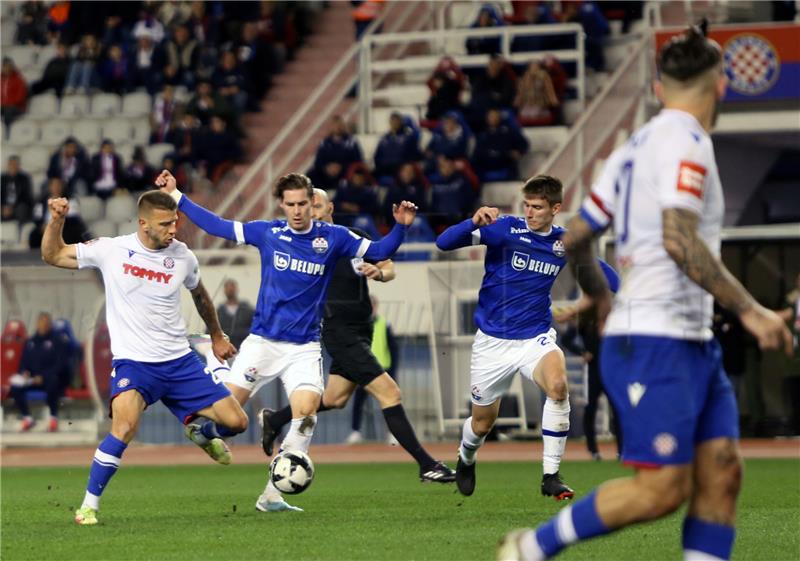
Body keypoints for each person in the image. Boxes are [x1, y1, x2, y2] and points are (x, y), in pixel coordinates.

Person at [497, 23, 793, 560]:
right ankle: (530, 548)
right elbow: (679, 238)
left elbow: (580, 232)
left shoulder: (632, 146)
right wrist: (751, 311)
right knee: (660, 490)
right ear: (721, 84)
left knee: (722, 474)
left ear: (658, 88)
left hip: (687, 339)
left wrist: (599, 294)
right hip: (655, 340)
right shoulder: (688, 141)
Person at [155, 170, 418, 512]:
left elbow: (382, 249)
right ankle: (208, 418)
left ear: (313, 204)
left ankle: (272, 495)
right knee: (230, 420)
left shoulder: (335, 238)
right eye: (290, 204)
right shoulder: (268, 232)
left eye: (302, 204)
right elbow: (217, 225)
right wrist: (177, 196)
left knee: (306, 414)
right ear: (281, 204)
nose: (296, 211)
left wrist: (401, 226)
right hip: (262, 343)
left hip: (304, 347)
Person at [41, 189, 248, 526]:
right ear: (144, 224)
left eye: (175, 222)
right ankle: (88, 507)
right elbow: (53, 255)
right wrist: (57, 221)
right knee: (123, 428)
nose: (173, 230)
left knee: (237, 423)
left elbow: (200, 295)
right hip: (135, 364)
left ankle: (202, 433)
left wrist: (216, 335)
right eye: (165, 224)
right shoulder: (112, 250)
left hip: (180, 361)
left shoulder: (183, 256)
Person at [436, 175, 619, 500]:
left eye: (537, 207)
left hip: (535, 339)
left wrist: (588, 290)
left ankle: (551, 475)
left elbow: (612, 281)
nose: (530, 212)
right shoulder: (503, 229)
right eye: (527, 206)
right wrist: (471, 222)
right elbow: (444, 243)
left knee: (559, 387)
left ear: (555, 208)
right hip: (492, 343)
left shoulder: (564, 243)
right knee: (481, 424)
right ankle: (466, 457)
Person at [261, 189, 455, 483]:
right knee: (390, 393)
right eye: (306, 206)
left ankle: (275, 418)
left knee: (335, 398)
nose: (310, 210)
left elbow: (389, 267)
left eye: (316, 205)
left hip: (361, 328)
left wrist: (378, 273)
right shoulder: (303, 246)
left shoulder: (351, 237)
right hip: (338, 330)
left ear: (330, 208)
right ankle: (426, 464)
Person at [554, 297, 621, 461]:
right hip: (593, 371)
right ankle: (593, 450)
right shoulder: (586, 320)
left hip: (612, 370)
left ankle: (622, 449)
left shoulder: (614, 320)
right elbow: (567, 339)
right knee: (591, 408)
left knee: (618, 410)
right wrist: (582, 352)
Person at [9, 312, 71, 432]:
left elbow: (61, 364)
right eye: (41, 323)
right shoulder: (30, 342)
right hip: (32, 379)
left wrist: (43, 376)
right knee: (15, 387)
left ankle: (53, 417)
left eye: (46, 323)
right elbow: (23, 362)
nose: (44, 326)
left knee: (53, 382)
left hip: (50, 378)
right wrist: (24, 372)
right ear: (37, 324)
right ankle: (27, 418)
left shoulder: (58, 341)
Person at [216, 279, 255, 351]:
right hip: (225, 352)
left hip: (245, 349)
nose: (230, 289)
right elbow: (211, 331)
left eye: (232, 286)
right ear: (224, 290)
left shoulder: (247, 310)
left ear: (236, 289)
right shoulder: (219, 312)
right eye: (227, 287)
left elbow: (255, 328)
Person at [1, 155, 34, 224]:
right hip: (4, 207)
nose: (13, 167)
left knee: (22, 209)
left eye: (15, 165)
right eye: (11, 164)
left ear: (19, 166)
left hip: (18, 207)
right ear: (7, 166)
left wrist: (12, 208)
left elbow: (27, 197)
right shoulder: (2, 179)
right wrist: (3, 207)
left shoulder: (24, 179)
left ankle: (20, 231)